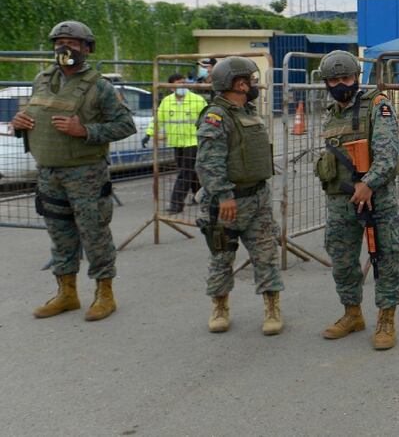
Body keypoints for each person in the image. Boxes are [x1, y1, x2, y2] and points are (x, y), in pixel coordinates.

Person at [13, 20, 135, 321]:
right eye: (58, 42)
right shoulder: (41, 79)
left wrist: (85, 130)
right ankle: (67, 294)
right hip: (49, 173)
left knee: (94, 234)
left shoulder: (100, 86)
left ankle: (104, 294)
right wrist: (19, 125)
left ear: (87, 48)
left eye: (72, 42)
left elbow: (125, 125)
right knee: (59, 234)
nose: (64, 48)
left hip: (86, 175)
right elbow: (33, 116)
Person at [315, 51, 399, 349]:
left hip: (376, 199)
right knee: (342, 262)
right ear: (326, 82)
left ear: (356, 77)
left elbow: (388, 153)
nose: (341, 84)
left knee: (386, 260)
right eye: (334, 79)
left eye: (346, 78)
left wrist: (368, 184)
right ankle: (352, 314)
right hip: (340, 202)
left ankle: (386, 319)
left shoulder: (377, 106)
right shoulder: (331, 113)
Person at [195, 56, 284, 335]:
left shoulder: (247, 111)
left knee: (266, 255)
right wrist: (223, 195)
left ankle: (272, 308)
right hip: (228, 203)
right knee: (222, 257)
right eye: (250, 79)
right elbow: (209, 161)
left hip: (257, 198)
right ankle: (220, 307)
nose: (254, 84)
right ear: (238, 83)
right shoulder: (216, 116)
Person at [143, 74, 205, 213]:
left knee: (185, 173)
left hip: (193, 142)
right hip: (176, 142)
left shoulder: (197, 100)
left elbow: (207, 119)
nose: (182, 86)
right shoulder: (167, 101)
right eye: (179, 83)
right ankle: (201, 196)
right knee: (190, 172)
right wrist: (149, 133)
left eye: (184, 83)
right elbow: (158, 119)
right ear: (171, 87)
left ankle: (176, 204)